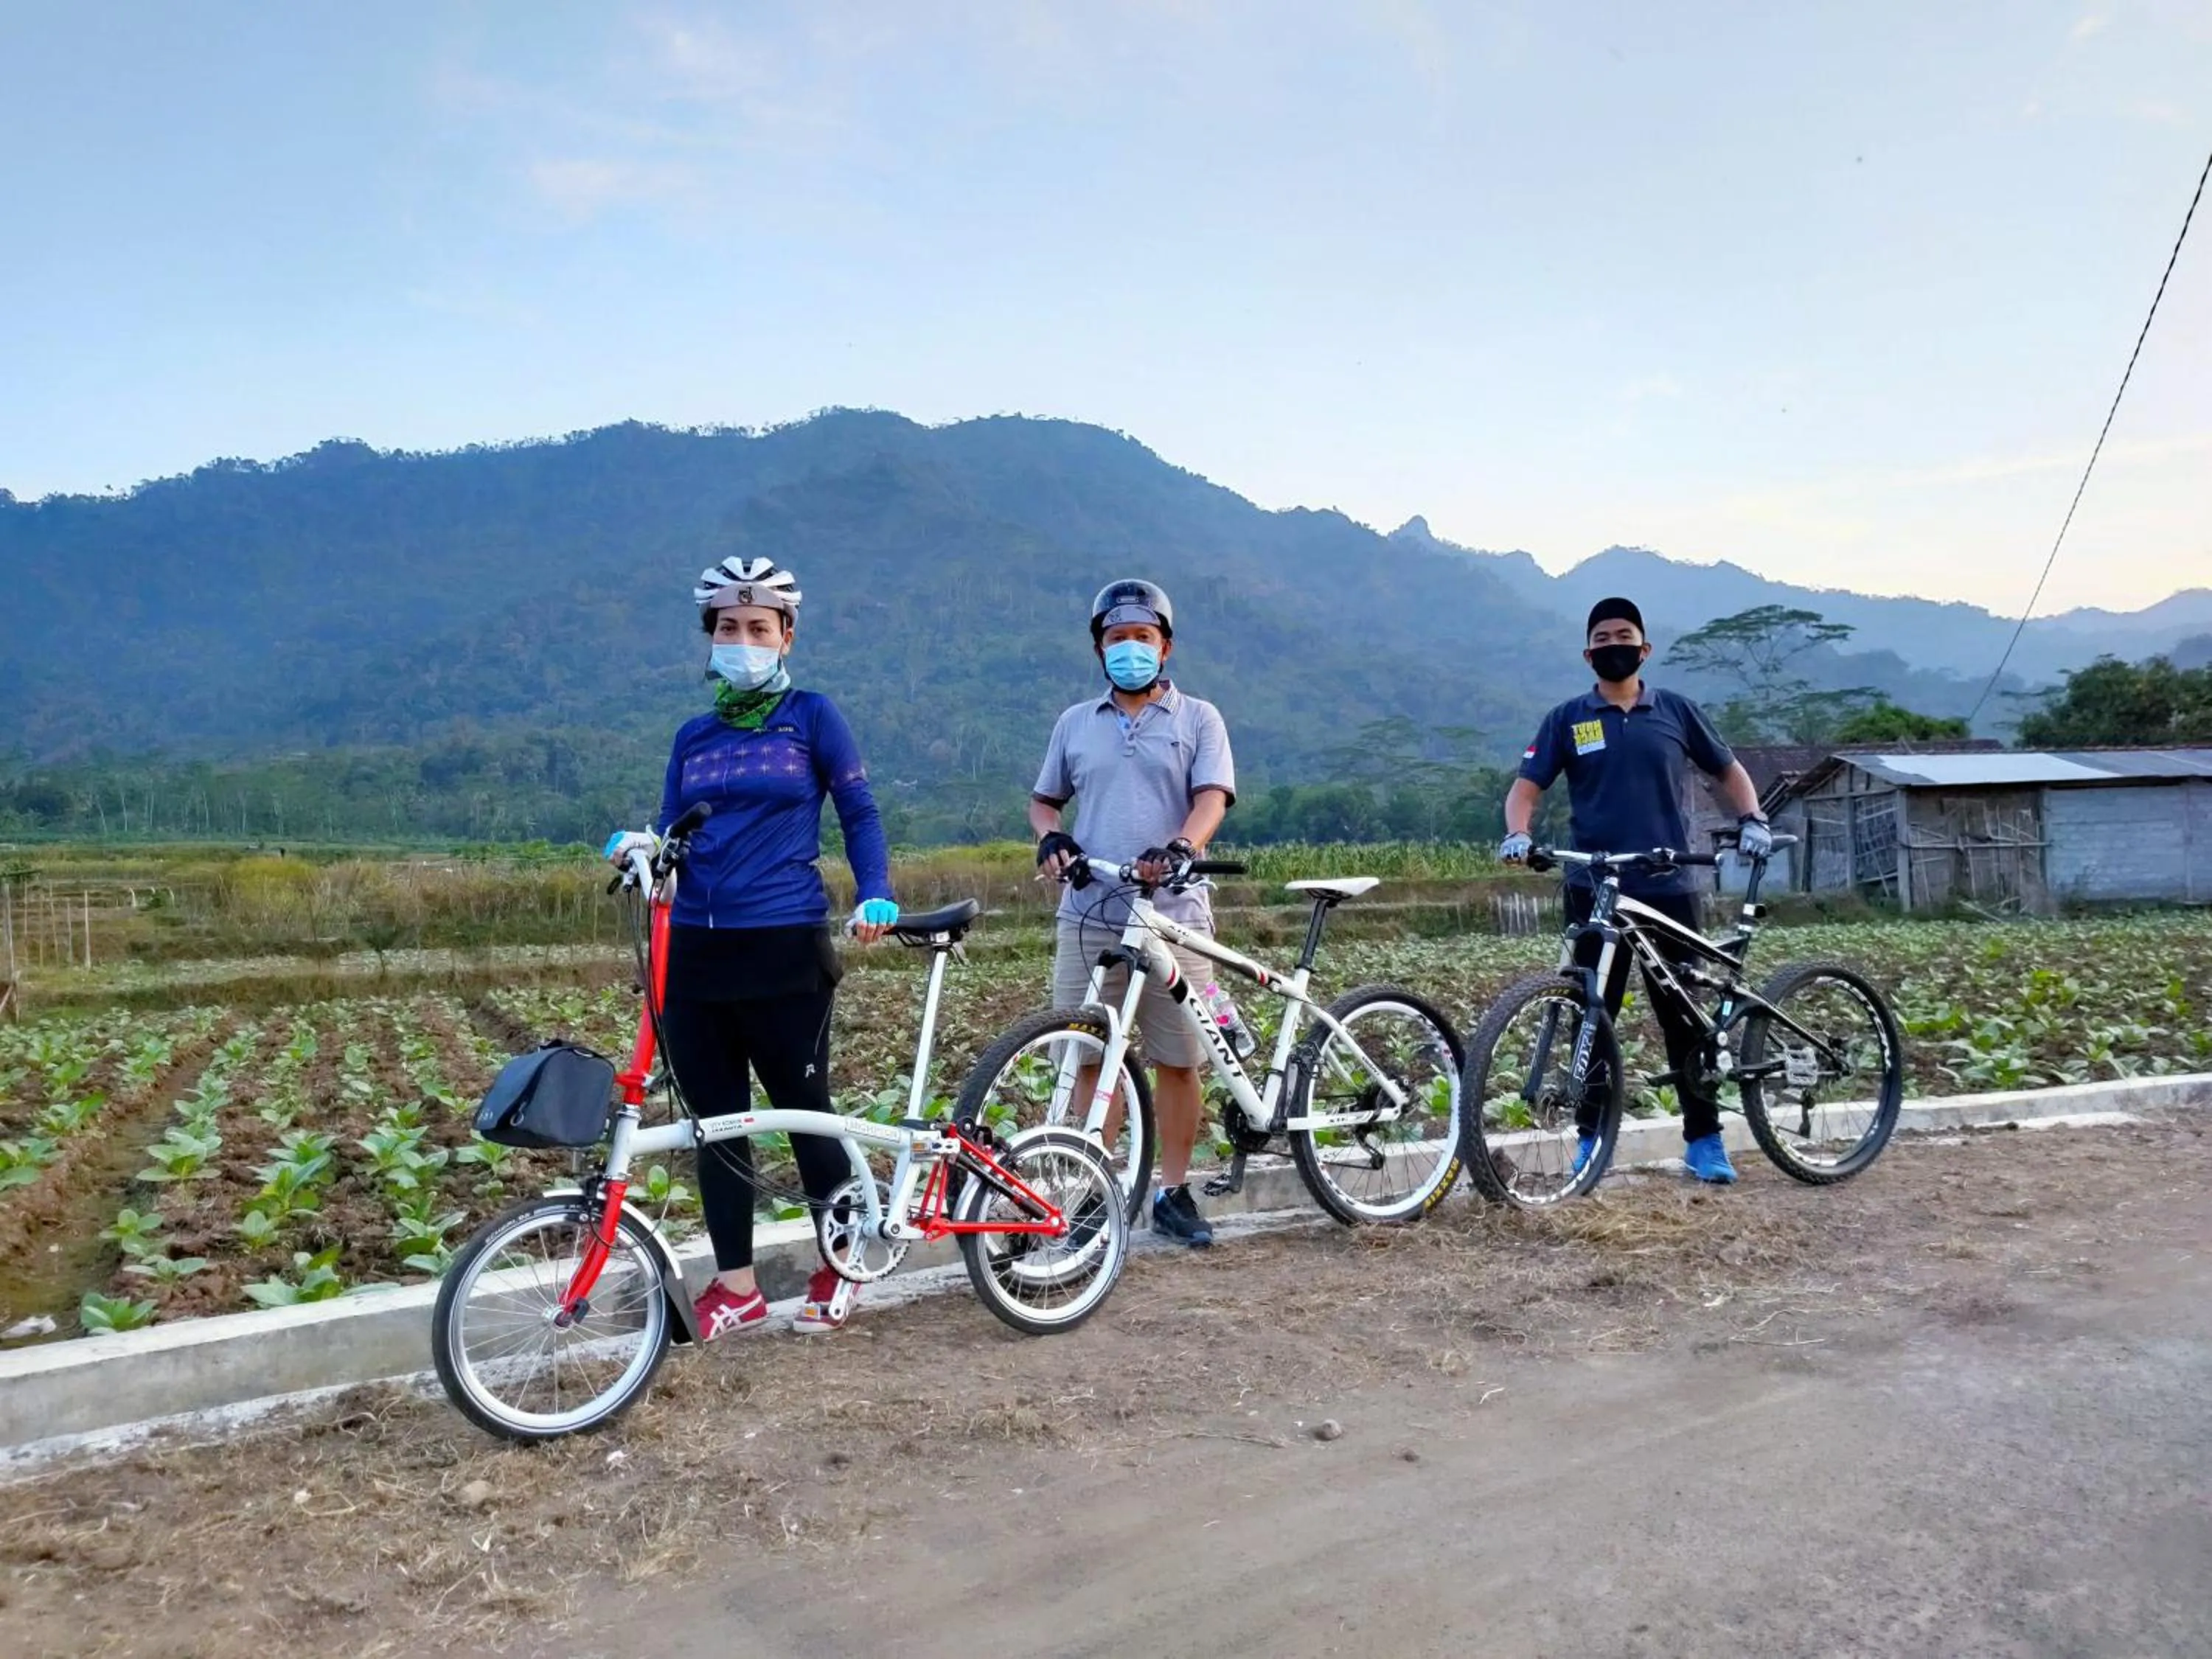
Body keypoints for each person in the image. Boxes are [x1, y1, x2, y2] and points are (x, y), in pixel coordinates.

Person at [621, 555, 899, 1338]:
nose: (744, 639)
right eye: (730, 628)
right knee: (715, 1125)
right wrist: (642, 847)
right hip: (696, 957)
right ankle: (735, 1287)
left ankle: (839, 1263)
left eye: (759, 628)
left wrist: (873, 888)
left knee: (807, 1115)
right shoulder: (694, 737)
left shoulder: (813, 717)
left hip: (785, 945)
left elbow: (860, 811)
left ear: (786, 637)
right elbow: (675, 830)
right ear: (711, 637)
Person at [1500, 596, 1773, 1184]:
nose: (1613, 644)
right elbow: (1526, 788)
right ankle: (1591, 1139)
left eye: (1623, 635)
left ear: (1644, 649)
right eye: (1602, 637)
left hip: (1667, 887)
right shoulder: (1567, 719)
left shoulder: (1675, 711)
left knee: (1684, 1016)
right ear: (1587, 653)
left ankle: (1704, 1140)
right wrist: (1517, 834)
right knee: (1590, 1016)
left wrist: (1753, 818)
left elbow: (1727, 769)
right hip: (1591, 891)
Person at [1030, 579, 1237, 1246]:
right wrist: (1050, 837)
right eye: (1116, 639)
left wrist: (1181, 847)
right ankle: (1094, 1192)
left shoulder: (1199, 718)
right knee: (1091, 1057)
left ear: (1165, 646)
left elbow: (1211, 800)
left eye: (1141, 638)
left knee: (1178, 1059)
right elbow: (1045, 803)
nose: (1129, 649)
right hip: (1089, 911)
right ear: (1099, 650)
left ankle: (1172, 1192)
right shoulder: (1073, 723)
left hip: (1174, 913)